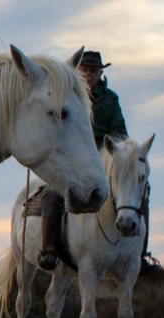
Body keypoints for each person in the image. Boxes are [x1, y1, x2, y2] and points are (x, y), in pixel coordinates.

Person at [38, 48, 127, 270]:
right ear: (78, 71)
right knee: (52, 192)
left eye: (94, 70)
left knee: (137, 190)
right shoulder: (71, 95)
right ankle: (48, 247)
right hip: (72, 158)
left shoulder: (111, 100)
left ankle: (140, 253)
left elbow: (120, 133)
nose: (89, 74)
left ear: (100, 72)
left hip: (104, 160)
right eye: (85, 69)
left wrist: (106, 152)